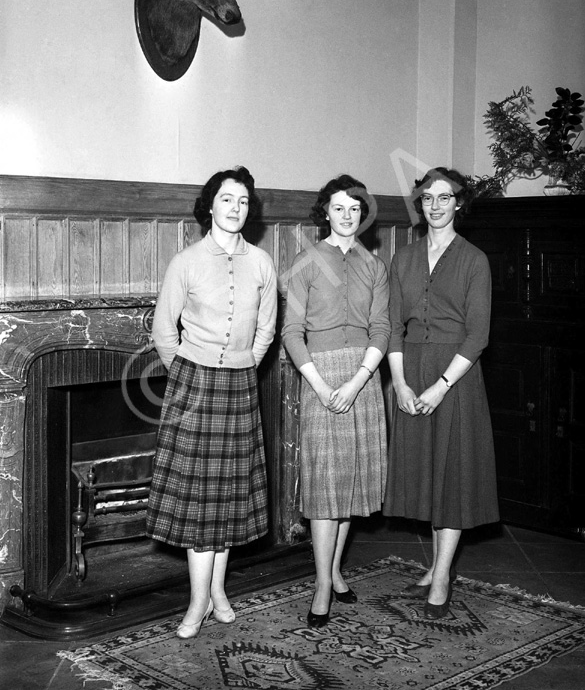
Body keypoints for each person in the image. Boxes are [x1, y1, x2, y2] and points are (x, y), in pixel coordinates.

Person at [146, 166, 277, 639]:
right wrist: (188, 370)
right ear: (210, 205)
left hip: (240, 385)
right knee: (199, 499)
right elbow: (164, 330)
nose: (236, 208)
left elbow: (266, 329)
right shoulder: (186, 261)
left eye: (243, 201)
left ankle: (218, 592)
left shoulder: (261, 263)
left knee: (227, 497)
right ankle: (198, 601)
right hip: (193, 385)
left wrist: (244, 362)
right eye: (227, 199)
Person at [383, 166, 499, 619]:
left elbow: (478, 335)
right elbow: (392, 325)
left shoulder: (474, 260)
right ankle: (434, 566)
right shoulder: (404, 258)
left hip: (457, 375)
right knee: (429, 470)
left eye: (444, 197)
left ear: (458, 203)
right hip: (410, 367)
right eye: (428, 197)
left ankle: (444, 574)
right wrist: (401, 382)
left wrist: (440, 386)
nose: (435, 205)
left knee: (452, 475)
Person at [282, 174, 390, 628]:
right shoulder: (306, 262)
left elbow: (381, 328)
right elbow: (292, 332)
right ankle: (322, 583)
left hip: (363, 378)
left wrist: (360, 379)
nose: (347, 216)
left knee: (350, 483)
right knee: (326, 487)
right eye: (339, 207)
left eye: (355, 209)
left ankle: (336, 570)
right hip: (320, 378)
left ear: (363, 216)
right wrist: (323, 386)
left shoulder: (374, 266)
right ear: (325, 211)